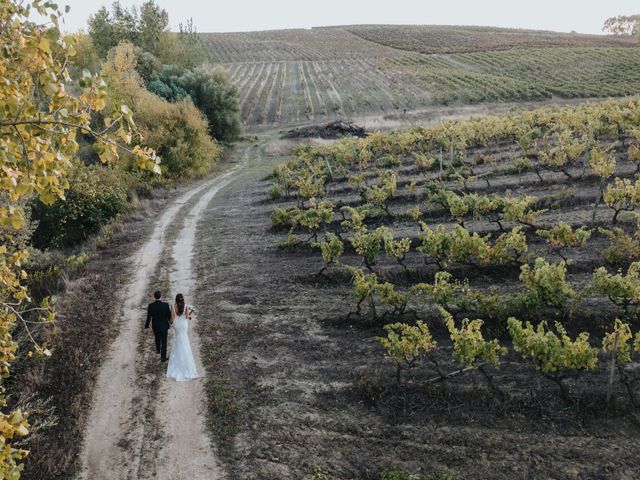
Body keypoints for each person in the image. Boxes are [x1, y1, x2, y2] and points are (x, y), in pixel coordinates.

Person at [166, 293, 198, 381]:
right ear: (182, 300)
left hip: (177, 325)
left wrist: (169, 324)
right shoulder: (186, 306)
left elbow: (172, 317)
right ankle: (186, 362)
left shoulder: (173, 306)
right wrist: (190, 315)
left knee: (177, 340)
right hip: (183, 325)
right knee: (185, 340)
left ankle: (177, 361)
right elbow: (187, 317)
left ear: (176, 299)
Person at [145, 290, 172, 362]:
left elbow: (149, 317)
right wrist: (170, 322)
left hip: (155, 326)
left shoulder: (151, 306)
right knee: (164, 341)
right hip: (164, 326)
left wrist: (146, 326)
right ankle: (163, 357)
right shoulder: (165, 305)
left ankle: (158, 350)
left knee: (157, 337)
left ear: (154, 297)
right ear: (161, 296)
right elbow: (169, 315)